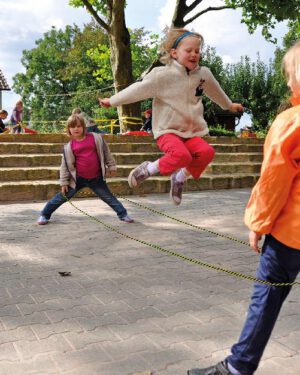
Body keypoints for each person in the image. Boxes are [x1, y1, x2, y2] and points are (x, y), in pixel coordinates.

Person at [187, 40, 300, 375]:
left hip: (291, 232)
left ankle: (238, 367)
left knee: (266, 296)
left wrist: (258, 222)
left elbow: (275, 179)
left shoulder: (291, 122)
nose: (288, 82)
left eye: (291, 74)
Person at [99, 28, 243, 205]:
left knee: (206, 152)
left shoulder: (203, 74)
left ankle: (179, 178)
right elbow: (136, 90)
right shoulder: (162, 75)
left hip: (191, 132)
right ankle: (148, 169)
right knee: (182, 156)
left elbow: (216, 92)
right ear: (174, 53)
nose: (194, 54)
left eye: (197, 51)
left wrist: (229, 105)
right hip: (168, 130)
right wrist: (112, 101)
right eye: (188, 51)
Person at [37, 113, 134, 225]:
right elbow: (64, 166)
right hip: (77, 179)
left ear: (84, 127)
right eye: (73, 127)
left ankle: (123, 214)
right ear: (69, 130)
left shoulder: (96, 138)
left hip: (96, 178)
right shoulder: (68, 147)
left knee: (108, 197)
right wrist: (64, 182)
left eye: (79, 126)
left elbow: (106, 153)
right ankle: (44, 214)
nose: (76, 129)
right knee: (61, 197)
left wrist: (111, 166)